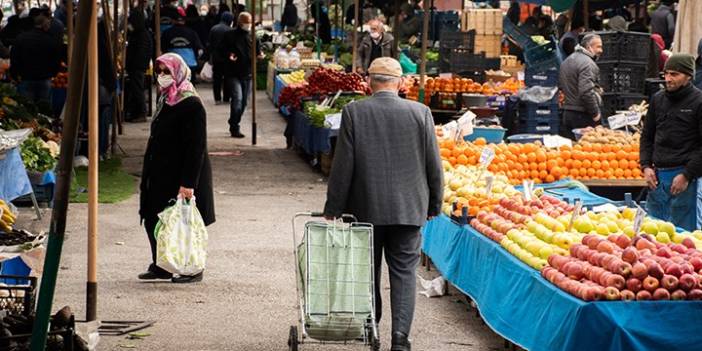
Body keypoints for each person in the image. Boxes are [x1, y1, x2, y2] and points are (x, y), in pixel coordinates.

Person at [323, 58, 443, 351]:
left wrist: (334, 208)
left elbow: (343, 165)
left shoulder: (354, 112)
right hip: (409, 209)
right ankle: (400, 338)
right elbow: (434, 165)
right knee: (404, 274)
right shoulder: (421, 113)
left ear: (368, 83)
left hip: (365, 208)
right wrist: (434, 204)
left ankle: (371, 326)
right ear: (401, 83)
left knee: (368, 270)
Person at [139, 53, 215, 283]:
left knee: (183, 222)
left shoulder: (190, 103)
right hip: (160, 170)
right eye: (159, 72)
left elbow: (196, 147)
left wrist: (188, 183)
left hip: (181, 173)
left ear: (178, 73)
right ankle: (162, 264)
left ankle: (191, 268)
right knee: (155, 217)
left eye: (166, 72)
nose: (161, 77)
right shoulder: (165, 98)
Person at [640, 54, 702, 231]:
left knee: (684, 235)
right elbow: (647, 136)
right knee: (653, 232)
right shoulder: (658, 99)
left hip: (685, 179)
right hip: (658, 178)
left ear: (688, 76)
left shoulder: (698, 101)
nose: (668, 79)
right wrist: (646, 166)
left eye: (674, 74)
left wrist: (687, 175)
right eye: (666, 73)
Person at [219, 12, 262, 138]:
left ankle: (234, 121)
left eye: (249, 23)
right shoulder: (229, 35)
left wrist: (259, 56)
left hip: (247, 74)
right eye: (246, 23)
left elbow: (258, 52)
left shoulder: (253, 36)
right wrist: (229, 55)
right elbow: (221, 50)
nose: (248, 25)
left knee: (243, 103)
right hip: (232, 73)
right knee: (237, 99)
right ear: (239, 22)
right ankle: (234, 127)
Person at [558, 33, 603, 140]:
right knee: (586, 152)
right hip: (582, 115)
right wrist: (596, 114)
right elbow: (586, 92)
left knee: (571, 152)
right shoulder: (588, 64)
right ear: (588, 47)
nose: (601, 50)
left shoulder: (568, 60)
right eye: (598, 47)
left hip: (567, 113)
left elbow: (563, 86)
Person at [9, 14, 61, 105]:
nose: (49, 27)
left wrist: (14, 75)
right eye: (48, 25)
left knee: (27, 111)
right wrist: (53, 73)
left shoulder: (21, 38)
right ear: (44, 25)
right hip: (44, 79)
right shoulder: (50, 40)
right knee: (44, 112)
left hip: (26, 78)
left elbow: (14, 58)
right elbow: (56, 59)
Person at [125, 4, 153, 122]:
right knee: (137, 89)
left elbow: (140, 53)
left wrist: (131, 63)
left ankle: (141, 113)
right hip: (138, 66)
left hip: (137, 67)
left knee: (138, 89)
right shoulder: (140, 33)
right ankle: (137, 112)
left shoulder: (141, 35)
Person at [207, 11, 234, 104]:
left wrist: (210, 56)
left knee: (217, 79)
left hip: (216, 58)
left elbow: (209, 44)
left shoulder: (213, 29)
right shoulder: (230, 30)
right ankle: (226, 98)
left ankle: (217, 99)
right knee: (227, 78)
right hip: (227, 59)